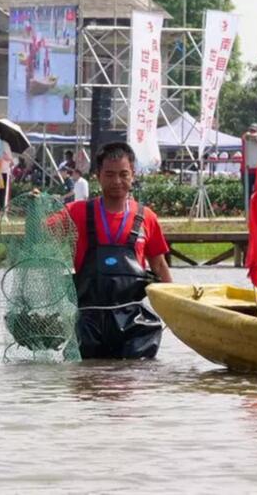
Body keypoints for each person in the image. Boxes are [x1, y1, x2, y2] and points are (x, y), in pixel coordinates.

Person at [61, 142, 172, 359]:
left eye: (123, 174)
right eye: (109, 174)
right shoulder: (77, 212)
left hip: (134, 322)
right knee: (86, 381)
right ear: (98, 175)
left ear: (133, 175)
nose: (117, 181)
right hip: (88, 320)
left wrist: (177, 307)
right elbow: (40, 231)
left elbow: (159, 265)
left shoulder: (147, 217)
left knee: (134, 377)